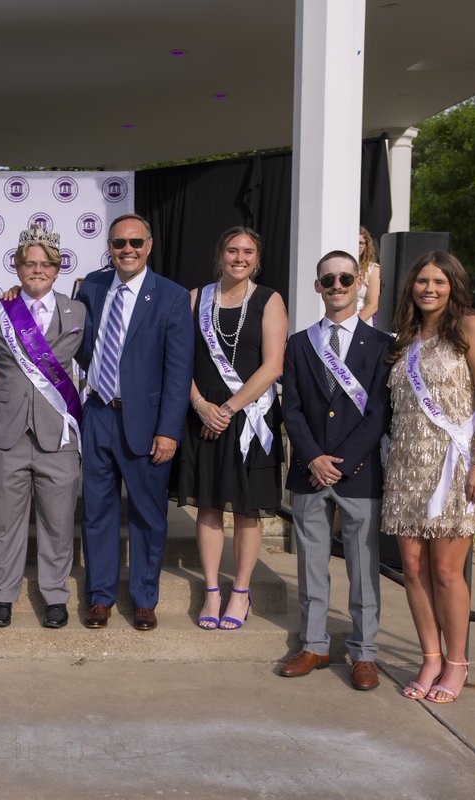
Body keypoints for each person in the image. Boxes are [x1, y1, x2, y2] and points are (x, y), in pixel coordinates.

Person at [381, 250, 475, 703]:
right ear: (410, 286)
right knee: (411, 568)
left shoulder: (472, 328)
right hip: (408, 467)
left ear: (454, 285)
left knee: (447, 571)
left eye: (439, 281)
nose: (429, 289)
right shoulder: (407, 336)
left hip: (457, 465)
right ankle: (430, 657)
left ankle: (457, 663)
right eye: (422, 281)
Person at [278, 250, 393, 690]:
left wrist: (341, 463)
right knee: (311, 566)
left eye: (346, 278)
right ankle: (314, 645)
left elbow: (379, 413)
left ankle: (364, 654)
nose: (339, 286)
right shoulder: (299, 344)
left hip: (359, 474)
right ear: (318, 286)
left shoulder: (382, 345)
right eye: (330, 280)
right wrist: (314, 458)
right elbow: (293, 409)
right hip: (311, 471)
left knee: (364, 568)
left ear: (359, 282)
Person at [75, 213, 193, 631]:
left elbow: (179, 372)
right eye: (119, 243)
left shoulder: (173, 297)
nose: (127, 250)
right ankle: (101, 597)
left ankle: (144, 597)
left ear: (150, 245)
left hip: (146, 424)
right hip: (99, 414)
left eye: (135, 243)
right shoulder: (89, 286)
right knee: (98, 513)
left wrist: (168, 430)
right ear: (109, 246)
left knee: (147, 513)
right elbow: (69, 335)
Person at [173, 227, 287, 631]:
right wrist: (202, 405)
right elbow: (179, 360)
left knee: (245, 510)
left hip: (250, 419)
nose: (240, 257)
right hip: (203, 417)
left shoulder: (269, 300)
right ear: (220, 255)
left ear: (258, 259)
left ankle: (240, 590)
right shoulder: (195, 298)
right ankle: (211, 590)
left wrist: (229, 408)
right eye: (232, 250)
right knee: (207, 505)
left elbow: (273, 366)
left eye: (248, 252)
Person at [0, 224, 85, 629]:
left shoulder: (78, 311)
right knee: (5, 523)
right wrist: (6, 384)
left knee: (58, 522)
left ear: (57, 270)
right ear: (17, 267)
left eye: (46, 264)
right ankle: (3, 596)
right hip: (8, 432)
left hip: (57, 435)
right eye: (29, 263)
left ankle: (54, 596)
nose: (37, 270)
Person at [356, 227, 382, 326]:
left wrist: (353, 326)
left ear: (366, 245)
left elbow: (373, 305)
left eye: (361, 242)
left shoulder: (373, 269)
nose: (358, 245)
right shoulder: (340, 265)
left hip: (362, 322)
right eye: (355, 241)